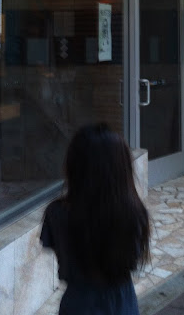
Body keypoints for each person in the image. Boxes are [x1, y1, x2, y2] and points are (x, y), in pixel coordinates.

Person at [40, 123, 150, 314]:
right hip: (122, 304)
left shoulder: (56, 213)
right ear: (122, 168)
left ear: (73, 166)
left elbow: (63, 256)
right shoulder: (133, 214)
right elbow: (133, 260)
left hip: (78, 304)